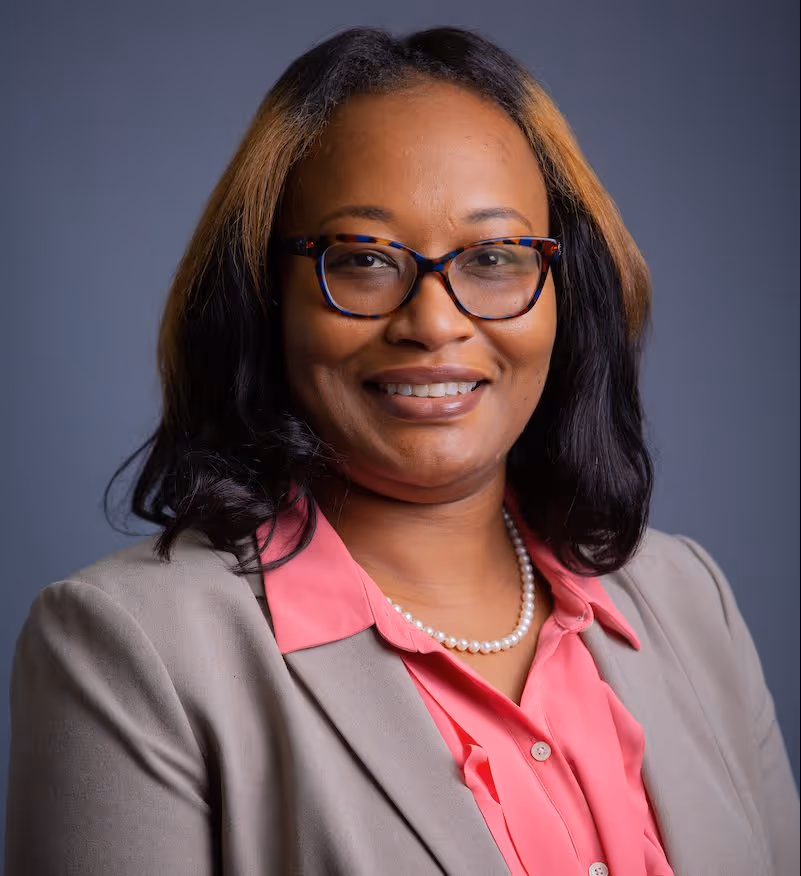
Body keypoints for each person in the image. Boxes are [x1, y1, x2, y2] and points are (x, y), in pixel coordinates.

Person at [4, 25, 798, 876]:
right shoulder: (133, 650)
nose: (432, 321)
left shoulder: (687, 600)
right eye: (362, 260)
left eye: (494, 257)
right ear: (262, 296)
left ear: (567, 293)